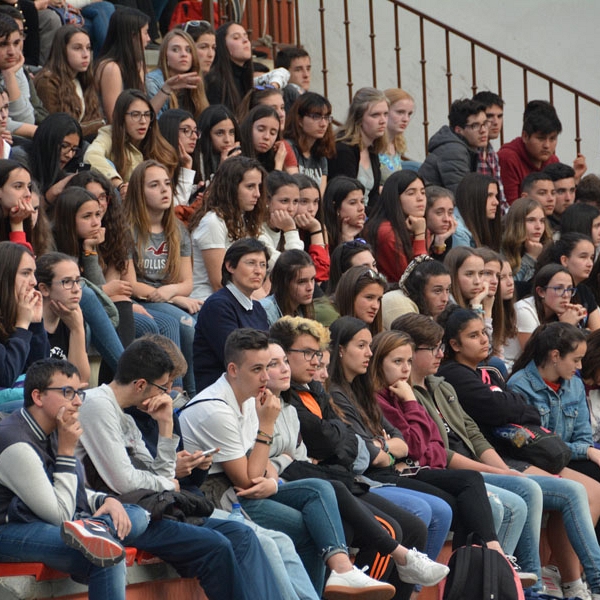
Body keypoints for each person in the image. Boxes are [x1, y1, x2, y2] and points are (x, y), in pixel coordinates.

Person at [391, 313, 600, 598]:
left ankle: (571, 582)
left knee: (579, 488)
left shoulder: (442, 386)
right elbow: (440, 450)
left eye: (440, 347)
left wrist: (501, 469)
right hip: (455, 470)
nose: (441, 354)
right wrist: (500, 471)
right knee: (531, 493)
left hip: (484, 464)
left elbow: (475, 433)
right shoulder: (434, 384)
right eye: (434, 348)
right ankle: (532, 585)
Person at [74, 338, 291, 600]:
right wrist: (167, 484)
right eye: (162, 388)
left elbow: (160, 475)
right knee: (216, 546)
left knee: (240, 533)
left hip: (152, 506)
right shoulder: (97, 405)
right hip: (120, 513)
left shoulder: (126, 415)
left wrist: (166, 426)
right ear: (141, 385)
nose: (166, 395)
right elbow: (125, 481)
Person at [329, 317, 508, 561]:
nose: (405, 369)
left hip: (414, 467)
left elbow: (426, 444)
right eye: (398, 361)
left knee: (482, 494)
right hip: (382, 475)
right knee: (457, 499)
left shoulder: (392, 393)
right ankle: (484, 562)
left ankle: (480, 568)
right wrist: (398, 430)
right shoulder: (379, 396)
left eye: (409, 361)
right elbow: (405, 448)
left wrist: (390, 443)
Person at [0, 358, 155, 600]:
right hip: (10, 530)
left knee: (137, 514)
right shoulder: (15, 441)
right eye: (67, 392)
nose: (76, 401)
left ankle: (95, 529)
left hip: (52, 519)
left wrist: (104, 500)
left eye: (78, 393)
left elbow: (73, 492)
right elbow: (59, 514)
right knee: (107, 554)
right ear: (38, 397)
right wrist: (66, 451)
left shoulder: (54, 426)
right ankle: (95, 530)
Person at [123, 160, 199, 395]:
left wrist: (171, 293)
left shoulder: (177, 230)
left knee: (191, 325)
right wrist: (172, 298)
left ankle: (193, 393)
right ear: (139, 192)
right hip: (141, 298)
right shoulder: (128, 229)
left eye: (167, 183)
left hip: (165, 296)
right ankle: (172, 391)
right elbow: (131, 285)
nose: (165, 190)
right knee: (175, 323)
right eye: (154, 185)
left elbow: (187, 283)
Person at [509, 323, 600, 490]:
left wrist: (585, 450)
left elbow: (583, 438)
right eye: (576, 360)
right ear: (555, 356)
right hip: (535, 460)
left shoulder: (576, 385)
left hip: (567, 457)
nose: (579, 367)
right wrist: (586, 451)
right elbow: (528, 443)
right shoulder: (519, 386)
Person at [193, 238, 269, 392]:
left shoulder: (258, 308)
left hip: (251, 390)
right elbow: (238, 359)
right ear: (230, 266)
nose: (258, 271)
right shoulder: (218, 306)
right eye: (251, 263)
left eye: (263, 265)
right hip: (220, 395)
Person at [189, 156, 266, 301]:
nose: (257, 194)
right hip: (207, 301)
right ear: (231, 187)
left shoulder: (243, 219)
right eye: (250, 187)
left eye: (259, 186)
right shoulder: (213, 222)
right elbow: (219, 283)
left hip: (240, 297)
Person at [84, 89, 178, 196]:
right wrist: (120, 185)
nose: (143, 121)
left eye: (147, 114)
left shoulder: (159, 143)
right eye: (135, 114)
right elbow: (91, 156)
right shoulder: (109, 134)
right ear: (121, 118)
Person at [498, 100, 582, 205]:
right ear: (525, 136)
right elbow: (511, 209)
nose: (547, 145)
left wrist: (574, 180)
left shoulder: (552, 160)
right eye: (541, 138)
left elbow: (560, 203)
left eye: (552, 139)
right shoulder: (508, 158)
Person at [34, 26, 104, 139]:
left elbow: (94, 119)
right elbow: (59, 130)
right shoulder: (47, 82)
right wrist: (100, 125)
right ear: (62, 51)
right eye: (77, 48)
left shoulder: (84, 79)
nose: (86, 54)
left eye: (88, 48)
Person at [0, 241, 47, 403]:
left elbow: (41, 372)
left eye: (34, 273)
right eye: (26, 273)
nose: (34, 281)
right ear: (5, 276)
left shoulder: (15, 314)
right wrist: (22, 326)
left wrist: (35, 324)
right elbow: (5, 376)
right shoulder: (20, 319)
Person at [328, 87, 388, 210]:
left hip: (366, 217)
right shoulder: (343, 150)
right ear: (359, 118)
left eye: (386, 114)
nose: (383, 121)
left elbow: (374, 196)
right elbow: (344, 198)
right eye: (375, 115)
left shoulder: (371, 149)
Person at [363, 170, 428, 283]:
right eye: (411, 193)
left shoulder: (415, 223)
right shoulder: (386, 232)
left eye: (423, 192)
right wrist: (420, 235)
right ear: (395, 198)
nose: (420, 198)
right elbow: (418, 280)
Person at [36, 252, 90, 383]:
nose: (76, 289)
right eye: (67, 282)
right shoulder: (30, 324)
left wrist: (77, 330)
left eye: (77, 281)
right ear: (44, 289)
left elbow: (81, 381)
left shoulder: (74, 319)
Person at [418, 99, 488, 193]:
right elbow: (462, 195)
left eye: (485, 123)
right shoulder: (454, 151)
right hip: (434, 205)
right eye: (475, 126)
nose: (483, 130)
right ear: (458, 130)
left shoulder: (464, 146)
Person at [94, 7, 150, 123]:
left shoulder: (136, 65)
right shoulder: (111, 68)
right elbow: (114, 118)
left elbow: (145, 111)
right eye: (145, 32)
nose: (149, 39)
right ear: (132, 36)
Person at [514, 264, 587, 351]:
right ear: (541, 292)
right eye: (559, 288)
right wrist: (565, 327)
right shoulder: (524, 310)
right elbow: (534, 356)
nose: (566, 295)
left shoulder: (561, 312)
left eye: (569, 289)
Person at [145, 29, 207, 120]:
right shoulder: (152, 81)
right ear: (165, 55)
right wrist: (166, 89)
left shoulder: (196, 80)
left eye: (188, 50)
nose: (184, 54)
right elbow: (149, 121)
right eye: (175, 49)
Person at [25, 113, 82, 209]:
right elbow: (25, 210)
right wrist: (51, 194)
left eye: (74, 149)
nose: (69, 155)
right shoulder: (21, 159)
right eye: (64, 146)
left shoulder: (65, 174)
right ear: (48, 141)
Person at [283, 92, 335, 194]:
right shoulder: (288, 148)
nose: (323, 124)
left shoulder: (321, 156)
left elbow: (321, 196)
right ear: (299, 120)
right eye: (316, 116)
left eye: (326, 117)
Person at [381, 258, 451, 328]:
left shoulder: (424, 309)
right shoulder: (398, 303)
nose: (445, 299)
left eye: (447, 290)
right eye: (437, 291)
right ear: (419, 289)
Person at [501, 197, 551, 288]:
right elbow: (511, 287)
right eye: (531, 220)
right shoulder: (502, 250)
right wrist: (530, 257)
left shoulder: (548, 249)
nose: (538, 226)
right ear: (516, 223)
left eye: (542, 221)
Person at [204, 22, 253, 112]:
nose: (245, 41)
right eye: (236, 38)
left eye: (246, 36)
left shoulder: (247, 78)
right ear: (223, 45)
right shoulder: (214, 81)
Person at [472, 91, 507, 211]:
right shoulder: (470, 151)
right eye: (490, 116)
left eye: (500, 116)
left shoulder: (492, 153)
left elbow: (501, 199)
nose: (496, 122)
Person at [259, 171, 304, 265]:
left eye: (295, 201)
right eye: (284, 201)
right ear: (266, 200)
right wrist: (290, 230)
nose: (291, 209)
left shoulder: (285, 227)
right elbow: (293, 266)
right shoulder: (256, 231)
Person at [260, 249, 316, 325]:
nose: (310, 288)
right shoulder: (265, 311)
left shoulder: (301, 310)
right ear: (284, 283)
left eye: (312, 279)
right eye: (302, 282)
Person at [157, 108, 199, 208]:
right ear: (170, 131)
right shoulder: (157, 167)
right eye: (186, 130)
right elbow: (176, 207)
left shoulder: (186, 159)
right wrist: (186, 167)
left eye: (195, 131)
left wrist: (194, 190)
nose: (194, 137)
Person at [293, 174, 329, 282]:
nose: (311, 209)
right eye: (304, 201)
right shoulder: (280, 229)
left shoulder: (318, 226)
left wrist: (316, 230)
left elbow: (321, 274)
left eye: (316, 202)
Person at [451, 172, 501, 250]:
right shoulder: (458, 230)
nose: (496, 202)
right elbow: (464, 261)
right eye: (489, 195)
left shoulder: (484, 222)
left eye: (496, 196)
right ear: (474, 197)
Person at [333, 265, 387, 335]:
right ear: (350, 295)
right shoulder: (330, 329)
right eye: (369, 297)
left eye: (379, 299)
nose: (375, 306)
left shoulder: (379, 334)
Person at [195, 103, 241, 183]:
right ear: (206, 134)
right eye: (219, 133)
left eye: (231, 132)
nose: (227, 140)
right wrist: (222, 169)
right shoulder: (194, 160)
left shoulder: (240, 159)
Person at [379, 88, 415, 184]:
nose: (406, 119)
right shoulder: (372, 143)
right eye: (400, 112)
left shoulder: (397, 143)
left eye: (409, 114)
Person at [322, 176, 366, 252]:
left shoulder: (366, 231)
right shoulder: (323, 234)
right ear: (336, 207)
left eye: (362, 201)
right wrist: (347, 239)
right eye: (353, 203)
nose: (361, 208)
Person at [240, 105, 286, 172]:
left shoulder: (272, 160)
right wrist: (278, 166)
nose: (267, 137)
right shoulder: (236, 158)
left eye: (272, 133)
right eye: (261, 130)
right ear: (249, 128)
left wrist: (279, 162)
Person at [424, 186, 457, 261]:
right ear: (424, 213)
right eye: (439, 213)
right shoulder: (415, 237)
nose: (447, 219)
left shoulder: (445, 236)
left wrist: (440, 242)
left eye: (450, 213)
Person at [544, 162, 577, 232]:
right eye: (561, 191)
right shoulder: (540, 227)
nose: (568, 198)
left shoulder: (582, 221)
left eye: (572, 191)